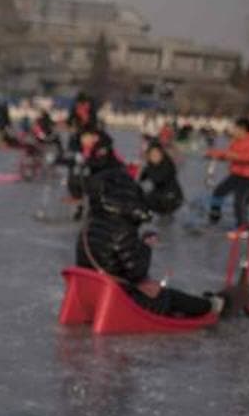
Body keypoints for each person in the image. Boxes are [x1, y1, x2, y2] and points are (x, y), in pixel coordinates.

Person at [77, 130, 230, 319]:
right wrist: (146, 246)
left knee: (156, 288)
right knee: (169, 296)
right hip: (121, 298)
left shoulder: (89, 225)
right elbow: (136, 272)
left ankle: (207, 304)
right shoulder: (121, 230)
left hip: (93, 293)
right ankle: (211, 306)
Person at [205, 117, 249, 226]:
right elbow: (228, 155)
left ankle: (242, 226)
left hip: (248, 177)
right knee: (218, 192)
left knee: (240, 201)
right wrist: (214, 154)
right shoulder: (236, 141)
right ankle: (214, 217)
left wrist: (233, 155)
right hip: (236, 174)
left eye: (235, 128)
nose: (233, 130)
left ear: (242, 129)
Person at [138, 142, 183, 218]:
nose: (155, 157)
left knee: (149, 200)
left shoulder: (168, 164)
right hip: (159, 195)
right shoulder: (150, 165)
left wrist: (146, 169)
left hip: (172, 197)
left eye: (157, 154)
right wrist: (138, 170)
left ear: (162, 154)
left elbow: (158, 178)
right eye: (152, 155)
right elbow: (141, 179)